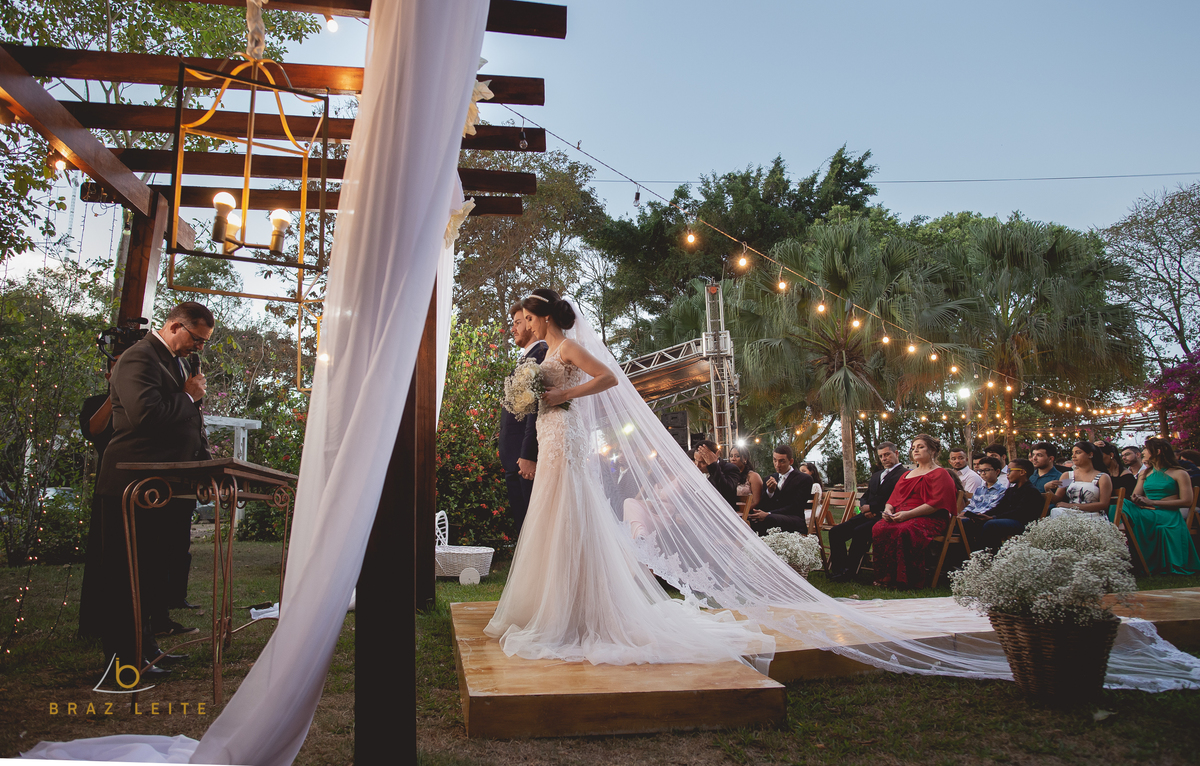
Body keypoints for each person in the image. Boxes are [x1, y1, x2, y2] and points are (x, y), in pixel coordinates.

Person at [484, 289, 773, 666]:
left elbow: (607, 377)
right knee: (548, 515)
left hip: (565, 437)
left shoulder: (568, 347)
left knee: (566, 509)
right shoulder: (546, 352)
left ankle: (572, 610)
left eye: (530, 319)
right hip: (548, 433)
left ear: (545, 318)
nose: (526, 325)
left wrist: (566, 393)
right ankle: (545, 603)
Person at [96, 302, 214, 680]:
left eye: (204, 342)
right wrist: (188, 397)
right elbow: (145, 416)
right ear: (175, 326)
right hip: (132, 485)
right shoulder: (139, 358)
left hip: (165, 486)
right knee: (126, 577)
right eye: (196, 338)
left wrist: (206, 464)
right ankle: (122, 662)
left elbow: (188, 423)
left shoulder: (178, 363)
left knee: (150, 575)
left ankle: (146, 650)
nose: (199, 347)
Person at [871, 434, 958, 589]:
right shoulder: (907, 474)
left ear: (932, 450)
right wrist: (887, 510)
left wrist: (908, 514)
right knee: (879, 527)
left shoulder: (941, 474)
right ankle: (886, 577)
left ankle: (907, 579)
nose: (915, 450)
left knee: (905, 529)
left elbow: (936, 504)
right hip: (902, 514)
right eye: (913, 448)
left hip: (930, 517)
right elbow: (893, 499)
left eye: (921, 447)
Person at [1111, 439, 1200, 575]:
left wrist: (1153, 502)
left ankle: (1120, 534)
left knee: (1125, 511)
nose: (1143, 452)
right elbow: (1135, 495)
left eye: (1146, 449)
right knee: (1119, 503)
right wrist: (1138, 499)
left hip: (1168, 515)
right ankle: (1119, 530)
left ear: (1157, 451)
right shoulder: (1145, 473)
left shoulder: (1179, 473)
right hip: (1148, 512)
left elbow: (1187, 501)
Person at [498, 303, 548, 537]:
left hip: (526, 461)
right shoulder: (525, 360)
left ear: (531, 323)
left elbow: (536, 411)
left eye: (518, 322)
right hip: (514, 459)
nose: (513, 328)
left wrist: (528, 454)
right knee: (524, 530)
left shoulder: (541, 357)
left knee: (534, 531)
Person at [828, 442, 906, 583]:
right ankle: (839, 569)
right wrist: (865, 507)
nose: (884, 458)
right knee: (836, 532)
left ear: (896, 453)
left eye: (887, 454)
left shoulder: (904, 475)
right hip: (866, 515)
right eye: (881, 456)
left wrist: (872, 509)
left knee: (860, 531)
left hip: (885, 517)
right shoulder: (877, 475)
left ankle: (850, 571)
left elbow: (897, 498)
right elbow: (865, 496)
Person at [961, 459, 1046, 551]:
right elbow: (1000, 507)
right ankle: (969, 553)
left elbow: (1019, 512)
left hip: (1022, 523)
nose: (1007, 474)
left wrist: (993, 518)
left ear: (1022, 472)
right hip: (1006, 519)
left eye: (1010, 471)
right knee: (968, 522)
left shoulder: (1031, 491)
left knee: (991, 524)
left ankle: (988, 554)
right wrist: (983, 516)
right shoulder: (1011, 490)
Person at [747, 444, 814, 534]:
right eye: (775, 460)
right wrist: (770, 492)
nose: (777, 465)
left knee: (768, 519)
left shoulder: (804, 479)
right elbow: (763, 505)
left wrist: (769, 514)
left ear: (791, 461)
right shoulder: (769, 478)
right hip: (772, 518)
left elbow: (796, 506)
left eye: (782, 461)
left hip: (793, 519)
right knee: (749, 517)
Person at [1050, 441, 1112, 517]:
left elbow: (1104, 504)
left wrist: (1071, 506)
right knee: (1055, 511)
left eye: (1078, 453)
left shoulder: (1102, 477)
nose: (1073, 456)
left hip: (1093, 515)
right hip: (1070, 514)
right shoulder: (1068, 476)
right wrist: (1048, 490)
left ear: (1090, 454)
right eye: (1072, 453)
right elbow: (1058, 500)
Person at [693, 439, 741, 509]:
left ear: (715, 456)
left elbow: (726, 491)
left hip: (722, 511)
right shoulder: (696, 471)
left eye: (702, 462)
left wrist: (713, 465)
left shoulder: (731, 469)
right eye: (696, 460)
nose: (697, 465)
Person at [1095, 439, 1136, 505]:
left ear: (1111, 455)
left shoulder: (1127, 477)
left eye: (1100, 455)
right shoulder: (1099, 473)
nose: (1098, 459)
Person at [729, 446, 763, 517]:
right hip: (730, 512)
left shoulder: (753, 476)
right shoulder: (729, 476)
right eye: (731, 456)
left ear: (745, 459)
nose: (733, 459)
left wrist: (741, 512)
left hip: (747, 514)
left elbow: (756, 501)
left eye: (737, 456)